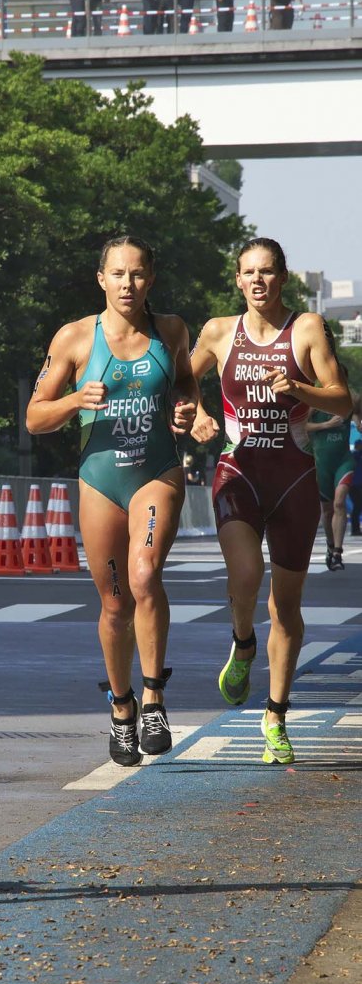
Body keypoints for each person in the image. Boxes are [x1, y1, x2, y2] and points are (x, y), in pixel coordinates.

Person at [26, 236, 197, 768]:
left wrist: (190, 413)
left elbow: (187, 389)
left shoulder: (171, 331)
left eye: (138, 274)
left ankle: (152, 698)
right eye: (118, 274)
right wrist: (77, 399)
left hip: (156, 472)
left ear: (152, 278)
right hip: (100, 480)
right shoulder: (76, 338)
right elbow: (34, 417)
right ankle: (120, 707)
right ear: (101, 279)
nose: (128, 284)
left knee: (145, 575)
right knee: (115, 602)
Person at [191, 237, 351, 767]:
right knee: (244, 575)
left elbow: (343, 400)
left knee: (286, 606)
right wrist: (194, 416)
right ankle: (242, 642)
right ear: (237, 280)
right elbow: (174, 383)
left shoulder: (305, 329)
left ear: (282, 277)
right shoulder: (218, 332)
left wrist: (299, 388)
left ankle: (276, 716)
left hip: (293, 480)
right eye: (248, 272)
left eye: (266, 272)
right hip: (239, 471)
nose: (257, 280)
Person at [306, 363, 361, 570]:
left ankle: (338, 551)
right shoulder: (314, 401)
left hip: (343, 460)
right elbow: (301, 426)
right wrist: (325, 425)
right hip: (321, 462)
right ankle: (330, 545)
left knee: (340, 503)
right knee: (327, 510)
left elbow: (358, 418)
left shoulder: (350, 400)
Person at [349, 439, 362, 536]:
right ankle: (355, 529)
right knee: (357, 506)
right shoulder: (354, 455)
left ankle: (356, 529)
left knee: (358, 506)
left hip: (358, 484)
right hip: (354, 485)